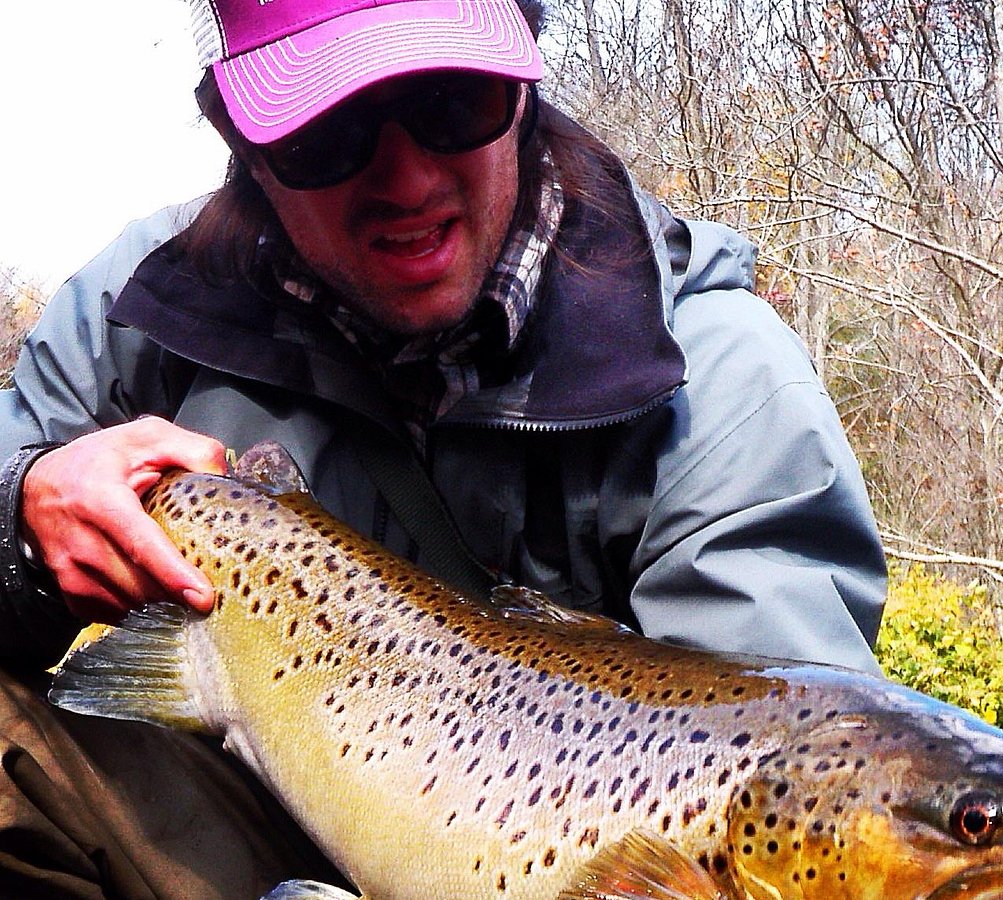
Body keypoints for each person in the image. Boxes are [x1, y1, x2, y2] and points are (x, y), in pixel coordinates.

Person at [0, 0, 887, 895]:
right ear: (245, 141)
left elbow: (805, 766)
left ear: (523, 84)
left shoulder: (716, 380)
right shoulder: (136, 313)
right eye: (327, 131)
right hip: (227, 838)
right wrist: (22, 523)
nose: (407, 178)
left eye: (450, 100)